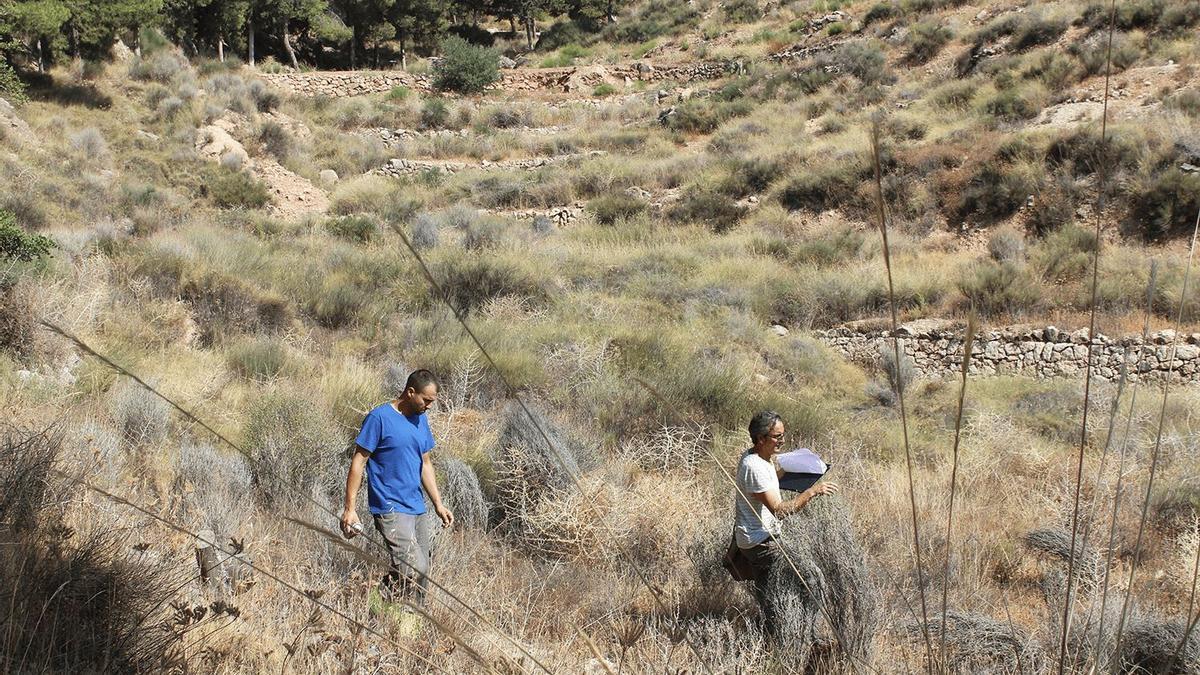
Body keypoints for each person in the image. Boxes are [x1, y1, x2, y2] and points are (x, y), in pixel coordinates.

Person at [341, 369, 454, 609]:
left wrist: (438, 504)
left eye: (432, 402)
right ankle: (376, 607)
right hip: (389, 505)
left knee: (422, 571)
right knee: (413, 566)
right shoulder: (379, 418)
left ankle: (414, 616)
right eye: (426, 400)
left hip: (416, 505)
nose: (429, 406)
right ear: (410, 392)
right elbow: (358, 462)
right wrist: (349, 509)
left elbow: (425, 463)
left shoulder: (421, 418)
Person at [733, 410, 839, 634]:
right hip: (760, 542)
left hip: (754, 538)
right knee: (810, 579)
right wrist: (812, 492)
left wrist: (798, 471)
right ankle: (801, 634)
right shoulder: (753, 466)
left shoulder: (760, 457)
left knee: (770, 593)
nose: (782, 441)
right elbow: (780, 511)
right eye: (777, 437)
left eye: (783, 435)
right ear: (761, 438)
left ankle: (772, 634)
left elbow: (771, 479)